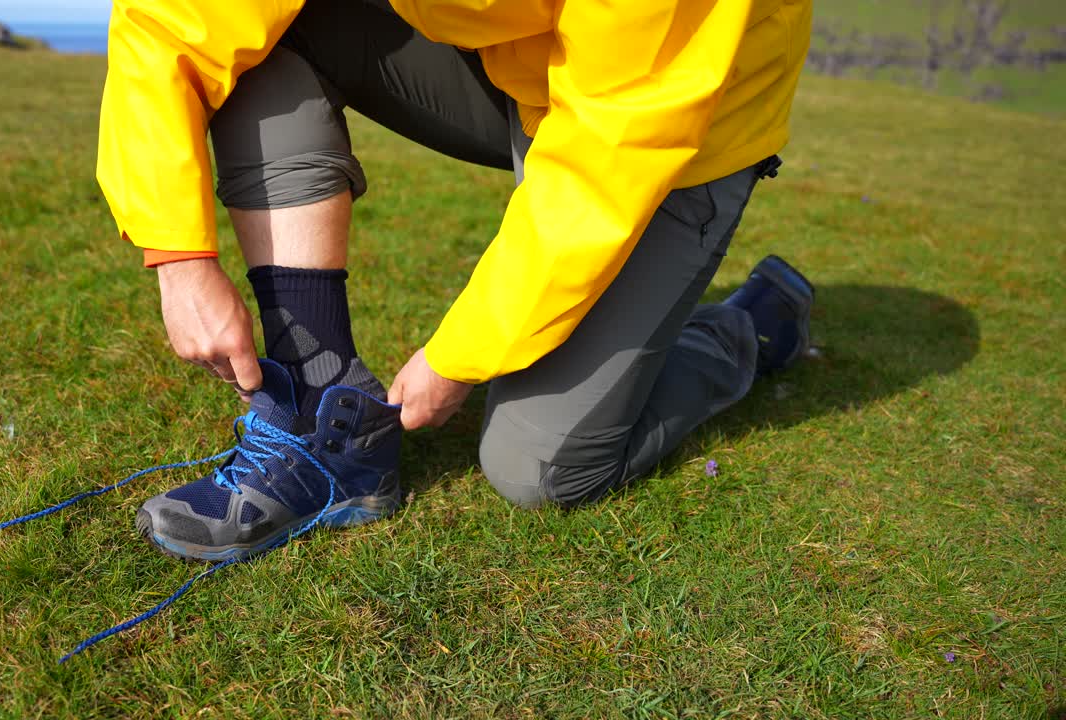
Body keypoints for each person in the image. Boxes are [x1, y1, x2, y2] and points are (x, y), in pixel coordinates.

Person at [97, 0, 815, 562]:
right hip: (505, 55)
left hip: (678, 119)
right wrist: (179, 255)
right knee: (270, 39)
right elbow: (177, 19)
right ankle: (321, 406)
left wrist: (461, 355)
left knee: (540, 467)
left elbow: (612, 152)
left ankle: (746, 327)